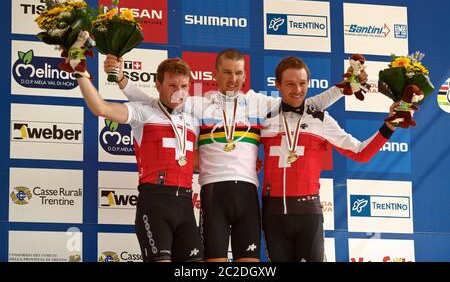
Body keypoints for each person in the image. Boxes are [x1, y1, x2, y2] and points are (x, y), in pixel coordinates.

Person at [104, 49, 367, 262]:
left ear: (245, 75)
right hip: (213, 193)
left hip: (247, 195)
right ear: (215, 74)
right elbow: (154, 104)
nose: (233, 78)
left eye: (238, 73)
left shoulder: (258, 102)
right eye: (227, 72)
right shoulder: (200, 102)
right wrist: (123, 80)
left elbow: (303, 104)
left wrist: (343, 88)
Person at [73, 45, 204, 262]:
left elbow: (195, 161)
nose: (178, 92)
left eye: (184, 86)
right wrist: (81, 74)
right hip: (155, 203)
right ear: (158, 85)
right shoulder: (143, 112)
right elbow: (101, 108)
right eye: (172, 85)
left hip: (186, 205)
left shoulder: (193, 121)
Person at [260, 56, 397, 262]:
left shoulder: (321, 119)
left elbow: (361, 153)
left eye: (303, 83)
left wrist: (390, 126)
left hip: (309, 214)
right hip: (273, 213)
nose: (297, 89)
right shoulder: (265, 119)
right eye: (290, 84)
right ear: (277, 85)